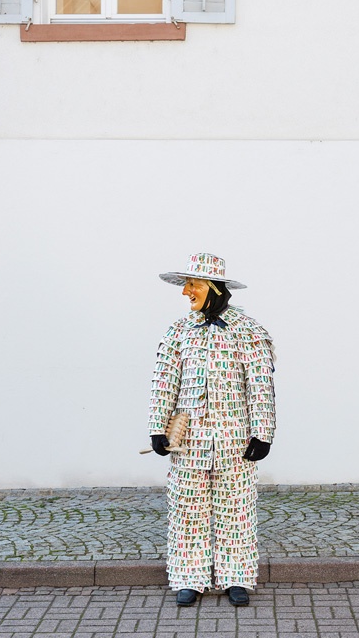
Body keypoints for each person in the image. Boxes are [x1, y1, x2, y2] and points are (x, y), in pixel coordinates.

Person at [148, 252, 276, 607]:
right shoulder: (178, 331)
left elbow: (260, 386)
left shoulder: (248, 331)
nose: (186, 291)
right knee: (188, 508)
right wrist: (158, 428)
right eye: (186, 284)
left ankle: (236, 577)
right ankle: (190, 577)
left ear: (213, 288)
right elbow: (164, 383)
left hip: (235, 438)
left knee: (236, 506)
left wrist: (263, 432)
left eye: (193, 284)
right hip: (188, 441)